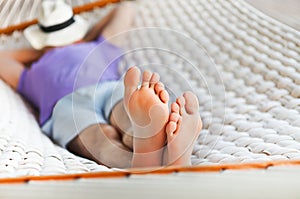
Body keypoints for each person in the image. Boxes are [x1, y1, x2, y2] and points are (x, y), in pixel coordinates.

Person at [0, 0, 202, 169]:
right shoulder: (33, 71)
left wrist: (82, 37)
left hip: (103, 90)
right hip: (66, 105)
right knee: (103, 137)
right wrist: (51, 48)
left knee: (127, 114)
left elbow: (124, 9)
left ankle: (149, 150)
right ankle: (165, 156)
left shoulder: (98, 44)